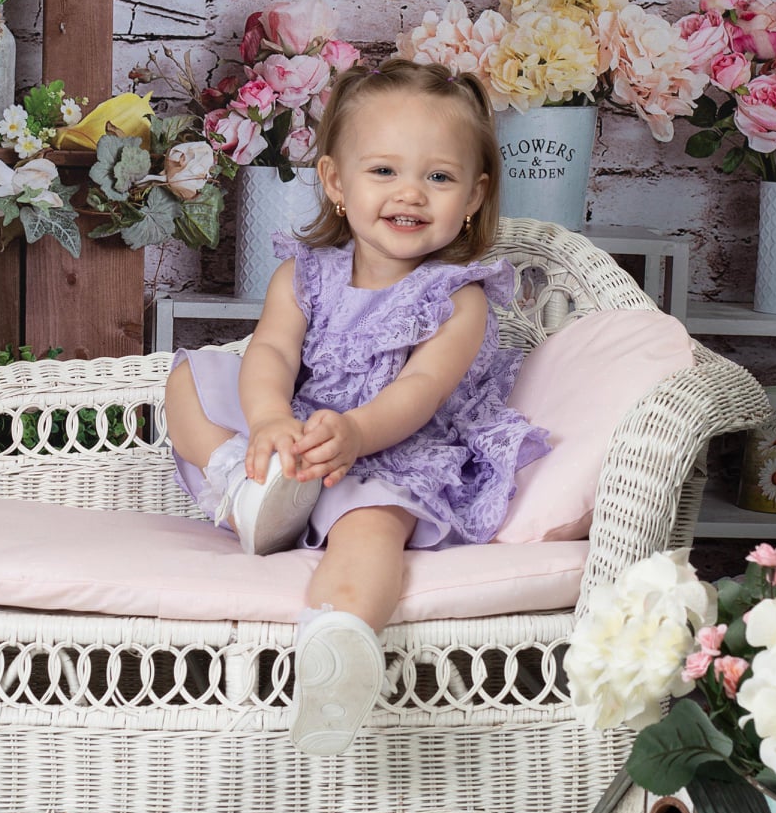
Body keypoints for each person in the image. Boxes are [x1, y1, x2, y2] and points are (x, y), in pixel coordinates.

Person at [166, 57, 549, 754]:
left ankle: (336, 644)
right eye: (384, 171)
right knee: (190, 377)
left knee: (373, 527)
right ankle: (242, 482)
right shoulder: (303, 273)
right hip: (295, 437)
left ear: (473, 195)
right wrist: (269, 424)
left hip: (392, 448)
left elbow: (419, 391)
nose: (411, 192)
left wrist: (354, 433)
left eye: (438, 176)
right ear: (336, 182)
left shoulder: (457, 297)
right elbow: (272, 355)